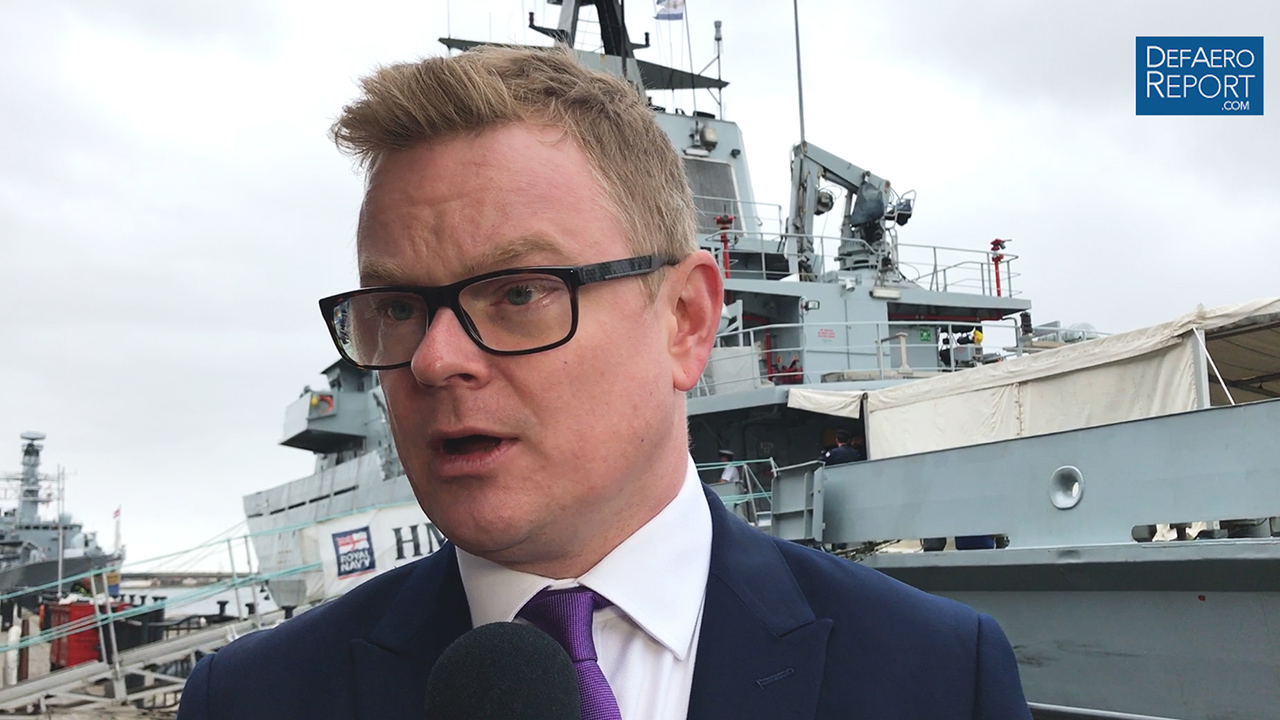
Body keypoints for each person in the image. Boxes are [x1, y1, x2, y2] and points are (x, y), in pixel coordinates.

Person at [177, 46, 1030, 720]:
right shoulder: (248, 701)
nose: (436, 360)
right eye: (399, 307)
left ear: (685, 320)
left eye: (519, 293)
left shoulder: (940, 677)